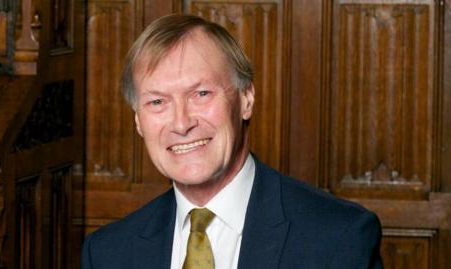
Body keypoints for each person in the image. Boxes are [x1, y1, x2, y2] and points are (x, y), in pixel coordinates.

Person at [81, 14, 383, 269]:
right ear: (138, 121)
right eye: (157, 102)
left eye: (201, 94)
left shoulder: (339, 237)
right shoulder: (107, 253)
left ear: (246, 99)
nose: (182, 123)